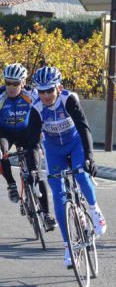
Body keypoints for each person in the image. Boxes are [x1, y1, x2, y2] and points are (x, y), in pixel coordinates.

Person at [28, 65, 107, 268]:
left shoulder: (68, 99)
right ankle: (68, 247)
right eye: (41, 91)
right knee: (58, 195)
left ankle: (95, 211)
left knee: (81, 175)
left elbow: (84, 127)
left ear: (59, 88)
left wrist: (90, 157)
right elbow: (32, 143)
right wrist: (33, 170)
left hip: (75, 144)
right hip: (54, 150)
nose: (46, 95)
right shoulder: (36, 108)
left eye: (49, 90)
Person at [0, 63, 57, 231]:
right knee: (1, 153)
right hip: (5, 133)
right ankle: (11, 184)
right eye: (8, 82)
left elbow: (42, 116)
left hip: (27, 132)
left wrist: (43, 140)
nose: (11, 87)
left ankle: (47, 215)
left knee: (36, 173)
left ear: (23, 82)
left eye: (16, 83)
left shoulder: (33, 94)